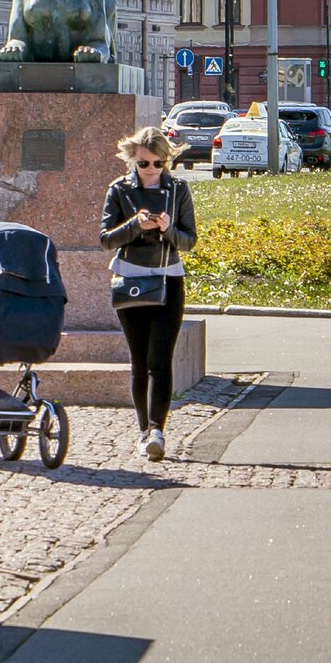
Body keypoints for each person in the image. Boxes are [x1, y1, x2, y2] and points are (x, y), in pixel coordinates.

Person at [100, 125, 197, 461]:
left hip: (169, 278)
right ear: (133, 160)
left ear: (166, 162)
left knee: (161, 359)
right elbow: (105, 239)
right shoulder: (119, 190)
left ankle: (157, 430)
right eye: (144, 164)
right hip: (130, 278)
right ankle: (144, 430)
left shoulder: (178, 190)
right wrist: (134, 226)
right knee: (139, 360)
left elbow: (189, 240)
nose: (151, 170)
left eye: (158, 163)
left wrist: (168, 228)